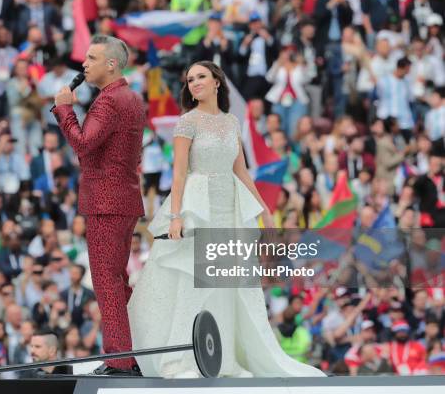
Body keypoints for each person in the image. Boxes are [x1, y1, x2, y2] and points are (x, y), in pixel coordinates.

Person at [127, 61, 327, 378]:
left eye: (201, 77)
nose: (194, 83)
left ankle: (223, 359)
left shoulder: (232, 122)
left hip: (229, 206)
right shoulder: (186, 122)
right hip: (197, 207)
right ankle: (183, 360)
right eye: (190, 79)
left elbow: (242, 171)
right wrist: (176, 215)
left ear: (217, 81)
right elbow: (179, 174)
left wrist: (264, 209)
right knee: (195, 284)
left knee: (225, 284)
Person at [52, 35, 144, 376]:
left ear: (112, 64)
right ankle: (133, 353)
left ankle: (119, 360)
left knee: (106, 281)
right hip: (125, 196)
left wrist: (64, 110)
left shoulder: (108, 102)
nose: (84, 63)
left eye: (92, 57)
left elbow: (83, 145)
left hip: (105, 201)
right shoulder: (131, 97)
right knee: (117, 281)